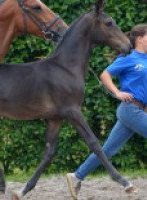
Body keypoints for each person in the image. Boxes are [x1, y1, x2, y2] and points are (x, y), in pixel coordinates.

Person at [66, 23, 147, 200]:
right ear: (140, 38)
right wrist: (117, 92)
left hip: (138, 110)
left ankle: (76, 176)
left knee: (107, 150)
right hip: (130, 109)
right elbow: (105, 74)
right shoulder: (128, 58)